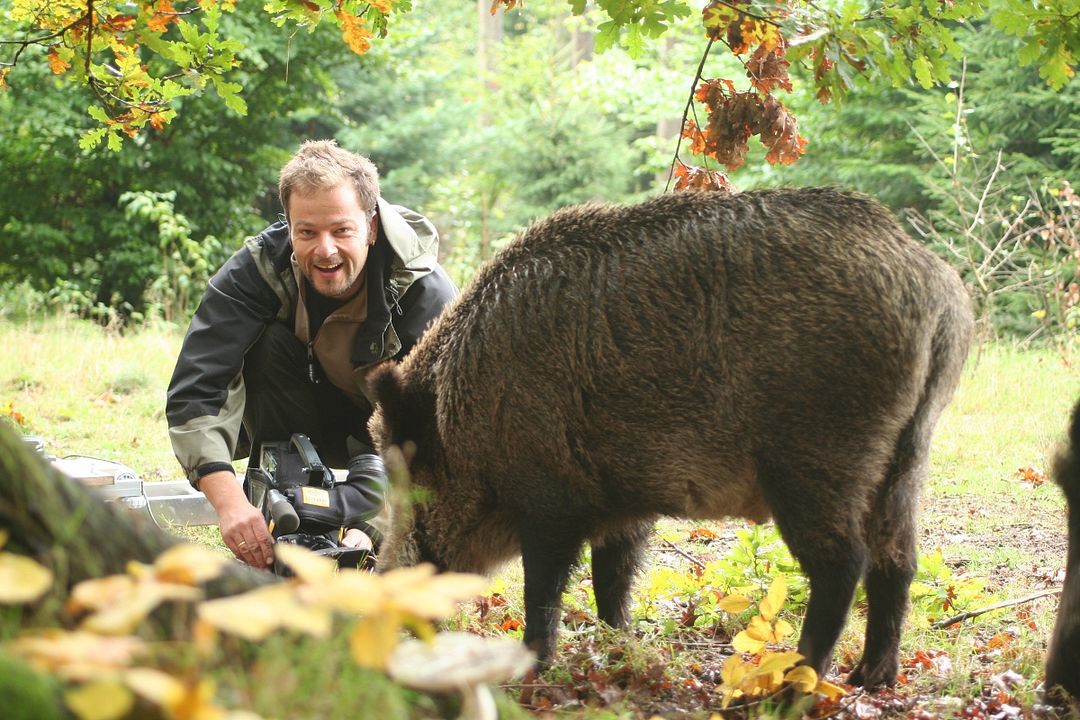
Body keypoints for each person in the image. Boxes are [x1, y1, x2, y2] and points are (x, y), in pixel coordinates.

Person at [166, 140, 457, 567]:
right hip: (296, 413)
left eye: (342, 230)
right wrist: (229, 505)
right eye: (307, 232)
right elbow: (197, 388)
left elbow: (436, 437)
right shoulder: (258, 267)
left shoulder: (425, 294)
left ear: (371, 227)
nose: (325, 250)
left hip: (385, 432)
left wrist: (373, 528)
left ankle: (354, 524)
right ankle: (280, 510)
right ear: (289, 227)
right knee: (265, 346)